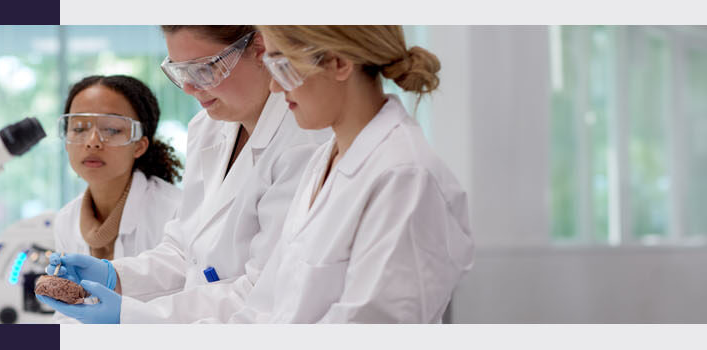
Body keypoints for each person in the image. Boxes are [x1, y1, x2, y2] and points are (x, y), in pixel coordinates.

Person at [47, 25, 473, 324]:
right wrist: (121, 288)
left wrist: (131, 316)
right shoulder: (329, 160)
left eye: (282, 66)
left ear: (340, 63)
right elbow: (269, 305)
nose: (274, 85)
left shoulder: (402, 176)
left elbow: (373, 326)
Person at [39, 26, 326, 323]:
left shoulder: (305, 141)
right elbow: (183, 251)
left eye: (204, 68)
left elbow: (261, 295)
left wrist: (129, 316)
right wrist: (116, 276)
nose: (189, 88)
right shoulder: (208, 127)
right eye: (180, 72)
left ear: (260, 47)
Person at [51, 75, 184, 265]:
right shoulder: (66, 220)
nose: (92, 142)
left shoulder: (175, 212)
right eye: (79, 129)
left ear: (139, 146)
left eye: (111, 130)